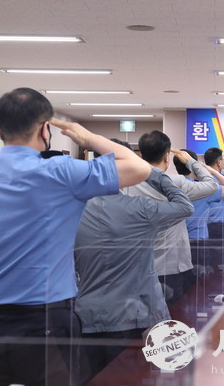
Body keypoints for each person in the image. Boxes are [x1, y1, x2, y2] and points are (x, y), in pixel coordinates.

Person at [0, 87, 151, 386]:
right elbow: (139, 167)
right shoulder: (63, 173)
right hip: (47, 322)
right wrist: (88, 138)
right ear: (44, 129)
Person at [75, 140, 193, 384]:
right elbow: (184, 206)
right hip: (133, 316)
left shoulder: (73, 209)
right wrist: (151, 173)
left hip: (87, 315)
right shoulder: (140, 208)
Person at [125, 131, 222, 307]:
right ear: (167, 156)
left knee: (144, 313)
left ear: (141, 154)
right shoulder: (175, 182)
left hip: (138, 264)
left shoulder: (129, 183)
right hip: (170, 265)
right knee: (172, 314)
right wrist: (191, 162)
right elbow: (212, 185)